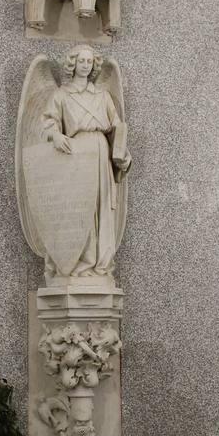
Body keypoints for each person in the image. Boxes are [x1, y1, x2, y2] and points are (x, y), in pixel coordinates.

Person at [42, 44, 131, 278]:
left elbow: (116, 129)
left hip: (100, 153)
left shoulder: (102, 97)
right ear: (72, 63)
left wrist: (122, 154)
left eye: (89, 62)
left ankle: (100, 265)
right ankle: (82, 261)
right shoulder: (61, 95)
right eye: (80, 61)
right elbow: (48, 123)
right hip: (76, 154)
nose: (85, 65)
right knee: (81, 207)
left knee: (100, 206)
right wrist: (56, 135)